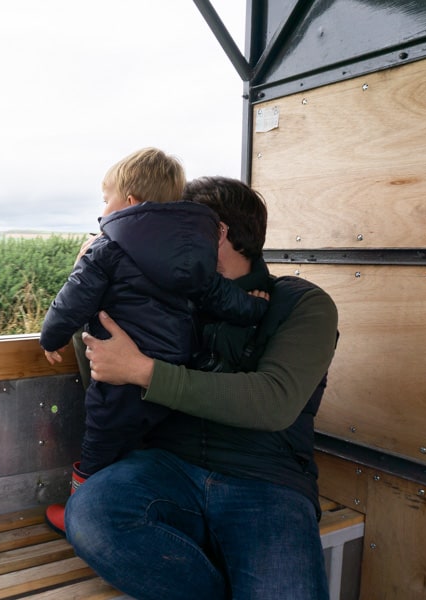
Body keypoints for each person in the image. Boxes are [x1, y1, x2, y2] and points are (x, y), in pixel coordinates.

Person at [65, 176, 339, 600]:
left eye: (174, 229)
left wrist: (145, 371)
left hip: (267, 483)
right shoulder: (166, 299)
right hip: (168, 467)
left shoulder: (303, 304)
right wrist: (94, 285)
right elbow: (104, 373)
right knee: (91, 516)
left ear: (218, 232)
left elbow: (274, 403)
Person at [39, 150, 268, 534]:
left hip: (119, 377)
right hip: (173, 366)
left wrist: (52, 336)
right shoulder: (194, 256)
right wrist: (253, 308)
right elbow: (218, 297)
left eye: (105, 198)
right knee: (146, 442)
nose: (103, 208)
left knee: (100, 441)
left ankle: (80, 513)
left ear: (129, 201)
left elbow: (74, 298)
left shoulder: (106, 247)